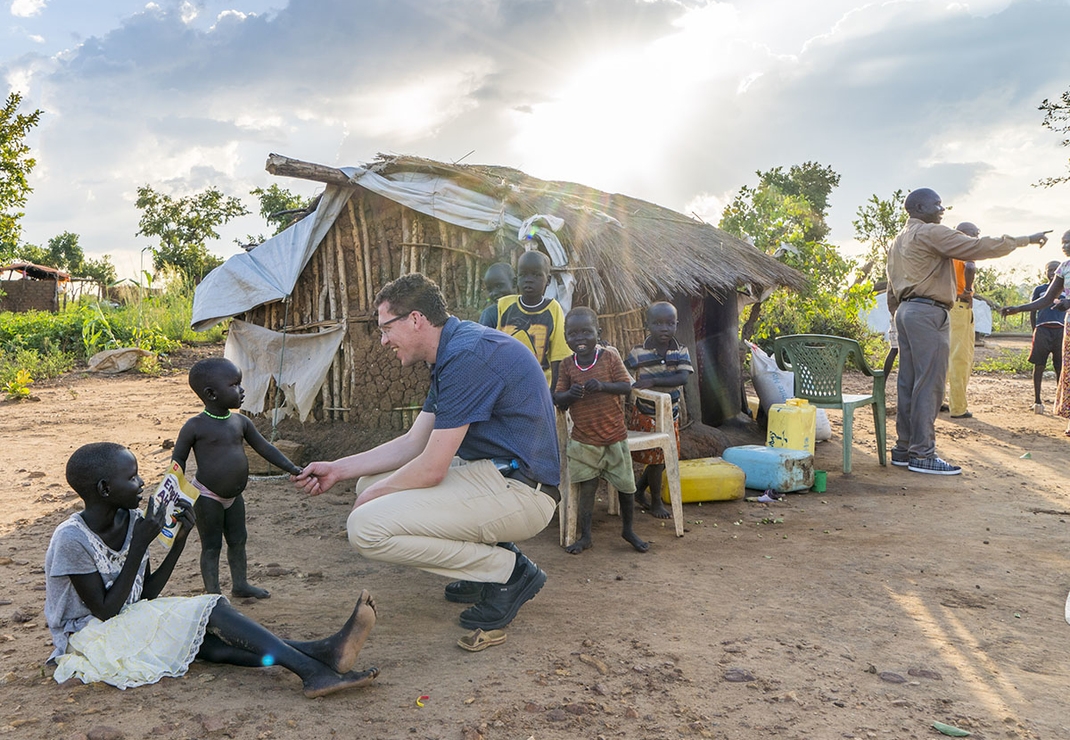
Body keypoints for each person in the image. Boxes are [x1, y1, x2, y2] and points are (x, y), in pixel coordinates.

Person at [293, 273, 559, 632]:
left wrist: (372, 497)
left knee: (365, 528)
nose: (384, 340)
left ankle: (507, 571)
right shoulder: (453, 349)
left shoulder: (467, 356)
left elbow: (432, 468)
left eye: (386, 328)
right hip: (497, 474)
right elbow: (413, 443)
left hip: (524, 492)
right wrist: (338, 469)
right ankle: (482, 564)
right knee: (368, 485)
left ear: (415, 319)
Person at [45, 442, 378, 697]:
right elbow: (105, 611)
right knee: (213, 607)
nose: (142, 482)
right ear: (105, 489)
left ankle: (324, 652)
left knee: (206, 642)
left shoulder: (132, 520)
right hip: (88, 638)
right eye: (132, 477)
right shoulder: (71, 540)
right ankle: (312, 671)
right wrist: (139, 548)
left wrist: (177, 543)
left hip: (125, 622)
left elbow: (143, 594)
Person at [887, 188, 1049, 474]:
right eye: (937, 204)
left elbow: (891, 287)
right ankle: (923, 454)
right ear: (919, 207)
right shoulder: (930, 233)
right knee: (930, 384)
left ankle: (904, 448)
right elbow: (977, 246)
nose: (942, 209)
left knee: (908, 383)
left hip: (906, 312)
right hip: (928, 312)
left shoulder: (898, 241)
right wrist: (1025, 240)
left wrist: (898, 318)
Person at [172, 357, 303, 599]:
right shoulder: (195, 427)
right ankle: (213, 595)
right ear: (211, 394)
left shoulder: (241, 422)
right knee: (211, 546)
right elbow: (177, 461)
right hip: (207, 496)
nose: (242, 390)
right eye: (234, 385)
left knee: (238, 540)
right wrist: (173, 494)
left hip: (234, 497)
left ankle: (240, 584)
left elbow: (266, 448)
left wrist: (293, 468)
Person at [554, 307, 648, 555]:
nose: (580, 338)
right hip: (584, 440)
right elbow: (558, 398)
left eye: (586, 332)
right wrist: (569, 395)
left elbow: (626, 387)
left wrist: (604, 386)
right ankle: (586, 536)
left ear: (599, 332)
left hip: (614, 436)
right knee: (587, 488)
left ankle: (628, 530)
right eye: (573, 334)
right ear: (565, 337)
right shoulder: (566, 365)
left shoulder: (608, 358)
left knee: (627, 487)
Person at [625, 301, 693, 517]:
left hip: (671, 413)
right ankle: (655, 501)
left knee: (663, 459)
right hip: (646, 413)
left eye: (669, 323)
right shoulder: (639, 351)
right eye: (658, 323)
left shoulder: (681, 351)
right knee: (657, 459)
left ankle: (639, 490)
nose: (664, 328)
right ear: (648, 325)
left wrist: (652, 381)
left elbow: (682, 378)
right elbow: (623, 369)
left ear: (676, 325)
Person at [1002, 230, 1070, 433]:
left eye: (1069, 242)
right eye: (1063, 242)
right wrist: (1020, 308)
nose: (1065, 245)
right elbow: (1047, 299)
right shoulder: (1064, 267)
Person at [484, 250, 570, 389]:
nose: (529, 279)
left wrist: (554, 392)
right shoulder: (504, 305)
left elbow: (558, 356)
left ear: (547, 280)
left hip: (539, 386)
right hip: (506, 385)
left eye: (536, 275)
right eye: (523, 275)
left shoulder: (553, 309)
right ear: (517, 278)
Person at [945, 223, 978, 419]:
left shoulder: (946, 250)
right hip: (959, 305)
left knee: (943, 355)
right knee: (960, 358)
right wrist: (968, 289)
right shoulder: (965, 249)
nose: (977, 237)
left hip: (944, 306)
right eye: (976, 233)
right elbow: (971, 266)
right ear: (966, 234)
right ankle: (958, 407)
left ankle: (940, 400)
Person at [1027, 260, 1065, 414]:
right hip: (1043, 330)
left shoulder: (1065, 291)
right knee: (1039, 365)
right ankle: (1037, 401)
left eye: (1055, 270)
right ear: (1045, 272)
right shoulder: (1040, 290)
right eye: (1049, 270)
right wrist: (1035, 329)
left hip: (1060, 331)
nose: (1052, 273)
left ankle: (1060, 402)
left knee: (1060, 367)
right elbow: (1033, 310)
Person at [478, 262, 515, 328]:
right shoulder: (491, 314)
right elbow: (483, 337)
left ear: (514, 283)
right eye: (490, 290)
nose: (494, 293)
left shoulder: (530, 309)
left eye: (499, 286)